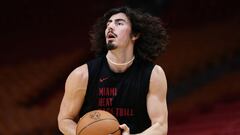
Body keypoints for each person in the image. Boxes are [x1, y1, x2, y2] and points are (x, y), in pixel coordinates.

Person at [58, 6, 168, 135]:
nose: (110, 27)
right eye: (108, 23)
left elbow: (160, 126)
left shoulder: (153, 74)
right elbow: (65, 119)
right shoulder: (82, 75)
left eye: (119, 23)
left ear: (135, 34)